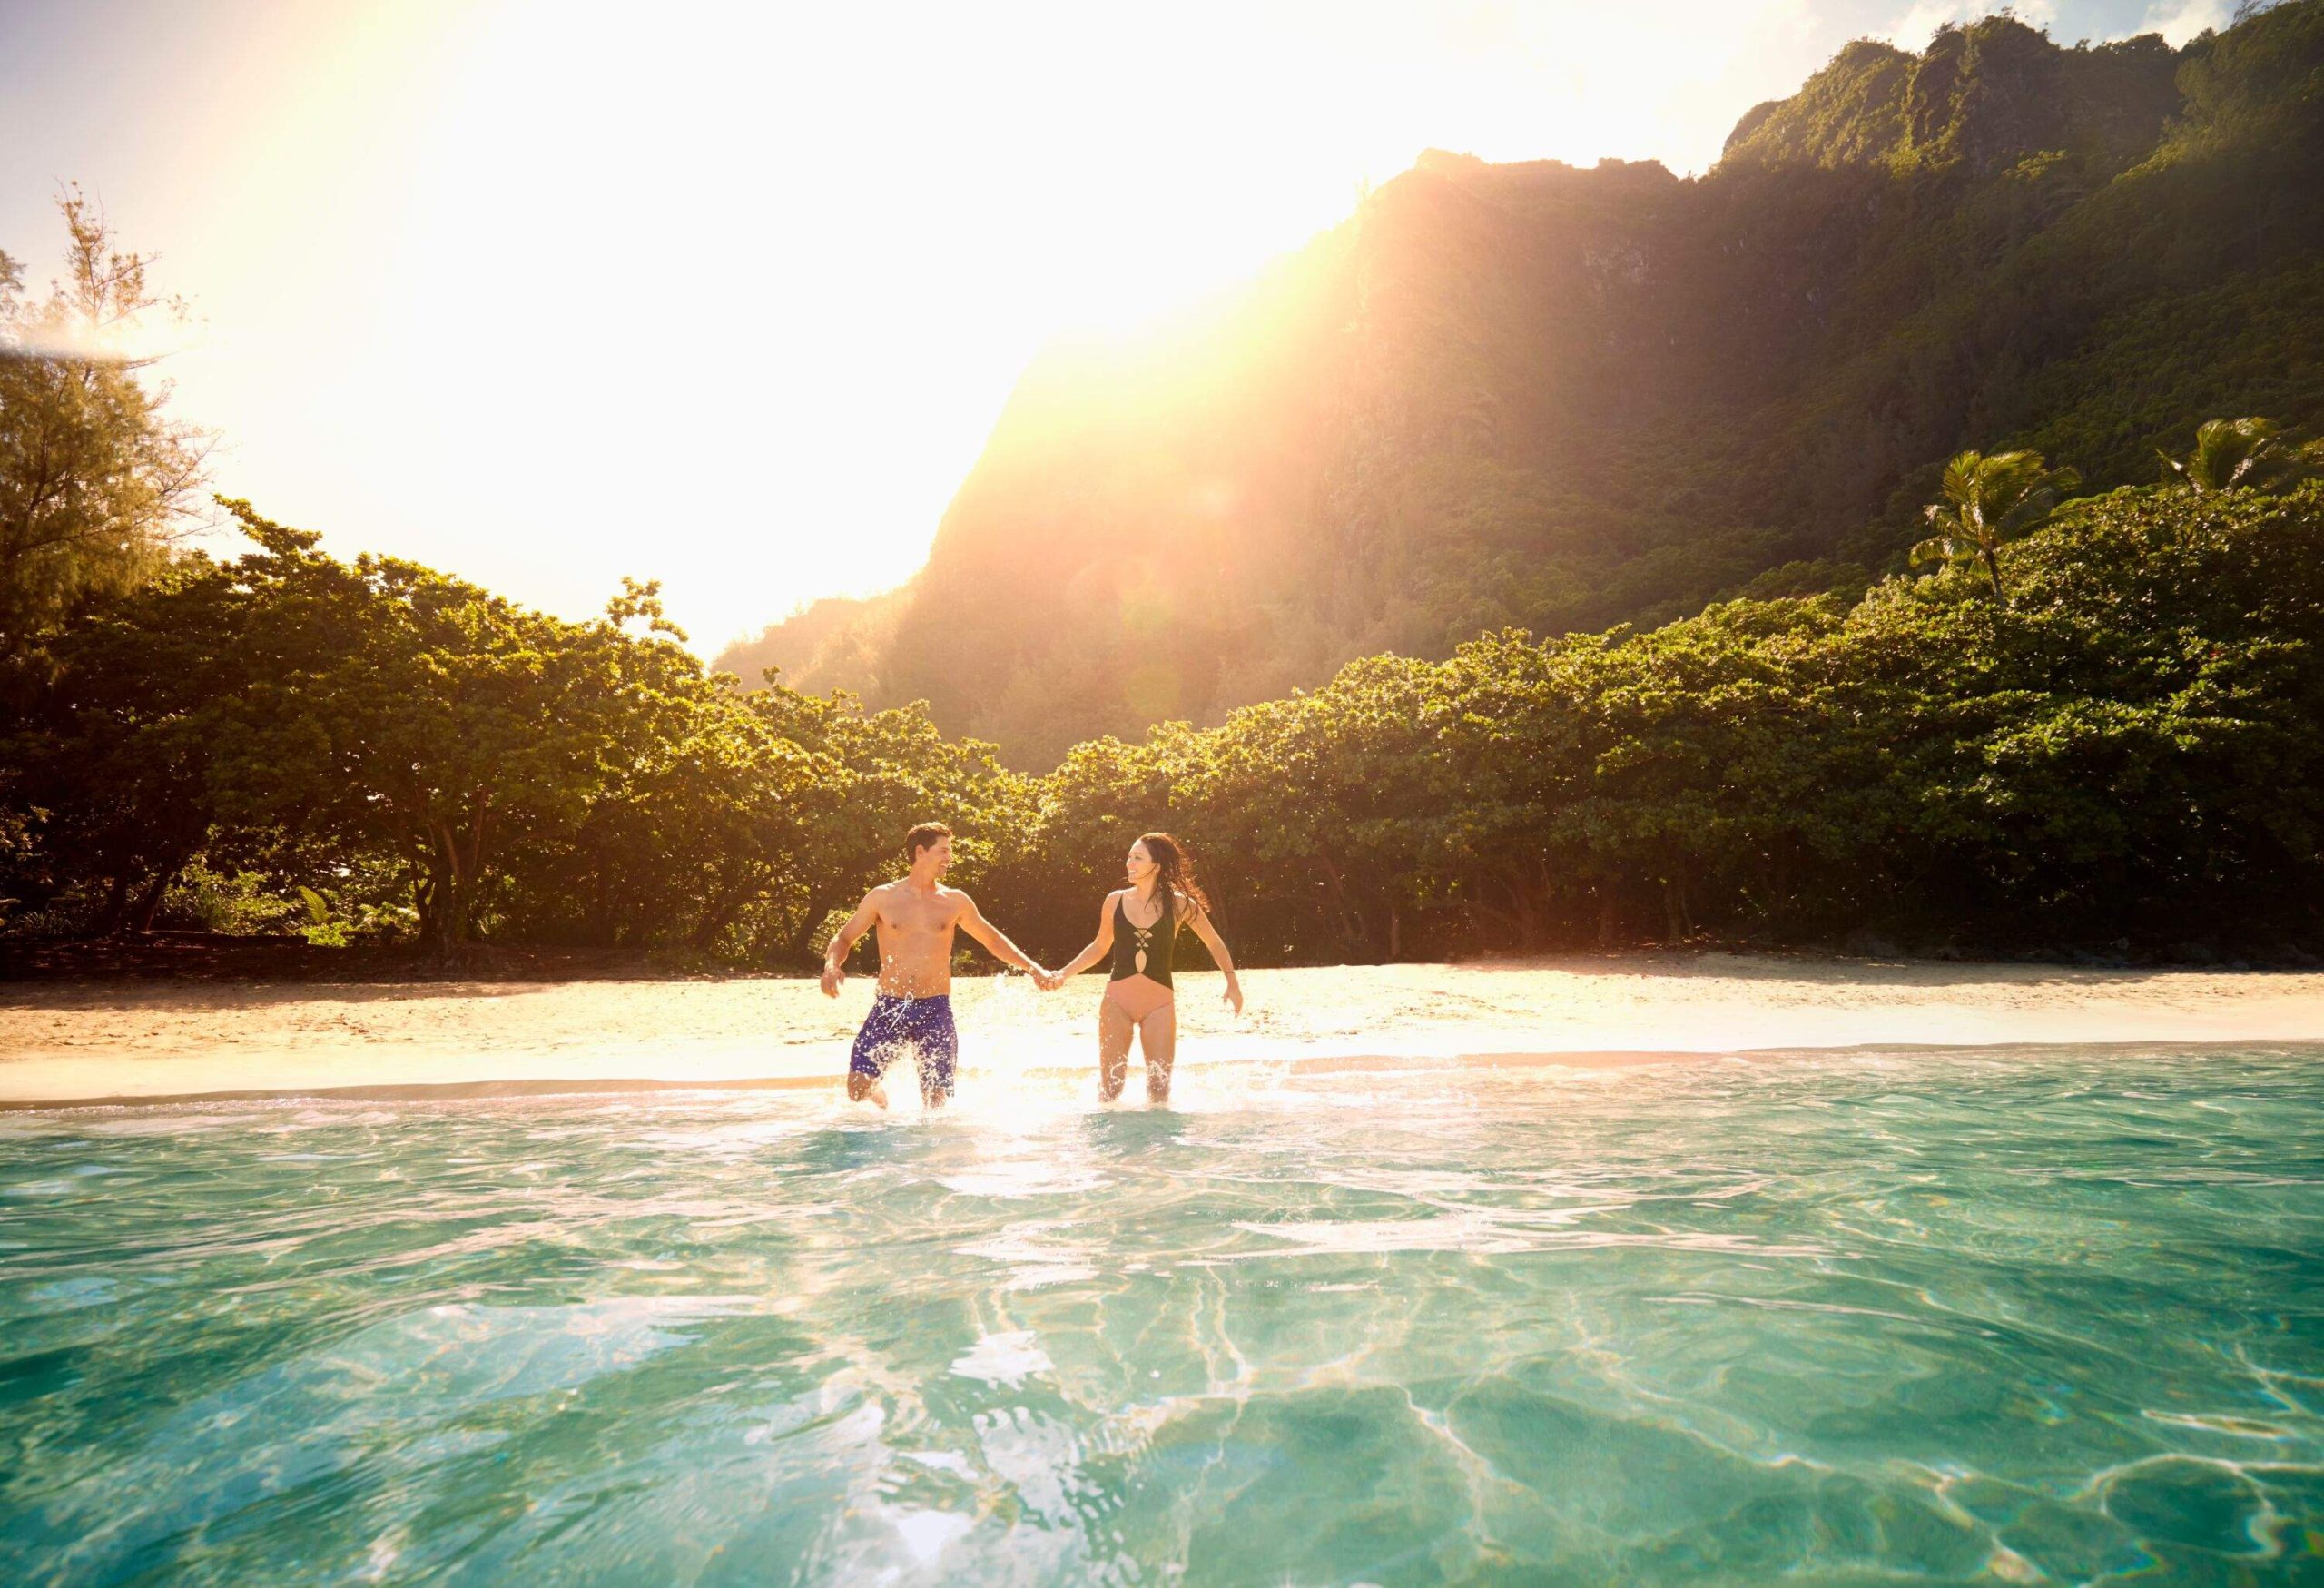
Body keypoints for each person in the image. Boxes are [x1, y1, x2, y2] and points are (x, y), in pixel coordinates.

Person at [821, 822, 1051, 1109]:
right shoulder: (883, 897)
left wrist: (1033, 968)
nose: (949, 858)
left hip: (935, 1009)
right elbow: (844, 937)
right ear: (921, 851)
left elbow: (992, 939)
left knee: (935, 1105)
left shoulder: (955, 901)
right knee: (857, 1089)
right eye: (943, 851)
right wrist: (832, 965)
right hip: (890, 1007)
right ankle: (881, 1099)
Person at [1046, 832, 1242, 1104]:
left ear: (1157, 865)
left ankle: (1160, 1146)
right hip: (1117, 1003)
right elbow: (1099, 947)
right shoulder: (1115, 900)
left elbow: (1214, 942)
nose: (1129, 863)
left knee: (1159, 1089)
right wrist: (1063, 974)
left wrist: (1231, 981)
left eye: (1137, 857)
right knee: (1111, 1089)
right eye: (1129, 857)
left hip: (1159, 1005)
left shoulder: (1181, 904)